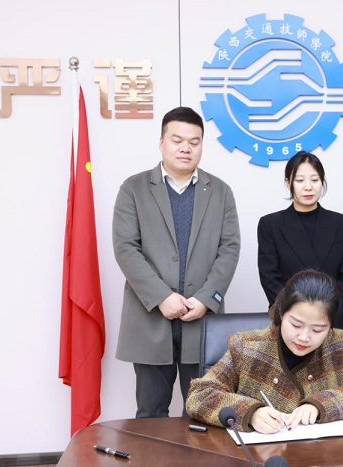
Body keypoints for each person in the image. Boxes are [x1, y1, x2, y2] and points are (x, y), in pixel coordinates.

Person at [113, 107, 241, 418]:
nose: (186, 148)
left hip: (202, 321)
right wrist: (161, 297)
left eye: (194, 142)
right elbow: (126, 248)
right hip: (149, 320)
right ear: (161, 143)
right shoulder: (134, 188)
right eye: (177, 140)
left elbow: (229, 249)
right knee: (150, 415)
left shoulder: (220, 191)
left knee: (203, 415)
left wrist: (206, 299)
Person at [186, 270, 343, 433]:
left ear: (330, 326)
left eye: (318, 330)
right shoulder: (246, 348)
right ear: (281, 312)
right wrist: (251, 413)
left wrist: (321, 404)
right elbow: (199, 395)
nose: (304, 337)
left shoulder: (340, 346)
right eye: (296, 325)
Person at [257, 151, 343, 332]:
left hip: (334, 323)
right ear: (288, 183)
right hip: (291, 325)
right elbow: (269, 279)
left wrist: (329, 317)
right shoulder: (270, 224)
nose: (308, 187)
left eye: (315, 180)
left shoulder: (341, 224)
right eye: (300, 180)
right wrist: (296, 317)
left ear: (322, 182)